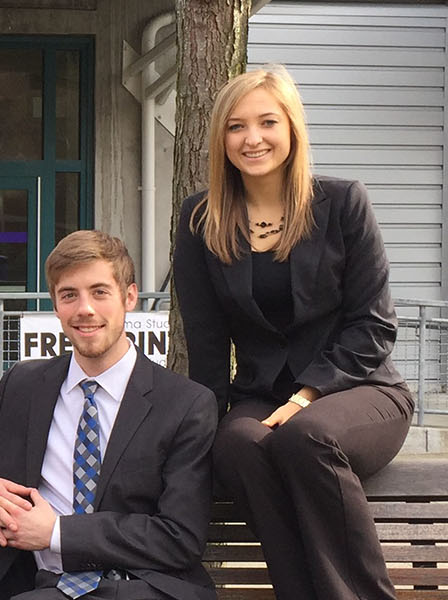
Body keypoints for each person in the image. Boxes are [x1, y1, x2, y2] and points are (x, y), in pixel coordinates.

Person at [174, 67, 415, 599]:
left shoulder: (343, 202)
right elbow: (207, 340)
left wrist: (308, 396)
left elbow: (373, 325)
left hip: (360, 390)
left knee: (308, 437)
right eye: (236, 126)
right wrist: (200, 429)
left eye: (266, 122)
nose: (252, 138)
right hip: (261, 394)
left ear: (292, 128)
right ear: (221, 138)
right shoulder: (201, 219)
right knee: (236, 444)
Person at [0, 230, 218, 600]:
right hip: (35, 586)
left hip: (138, 586)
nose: (85, 309)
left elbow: (179, 537)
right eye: (69, 295)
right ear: (55, 305)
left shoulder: (185, 405)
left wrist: (57, 533)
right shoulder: (25, 386)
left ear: (130, 297)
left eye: (100, 292)